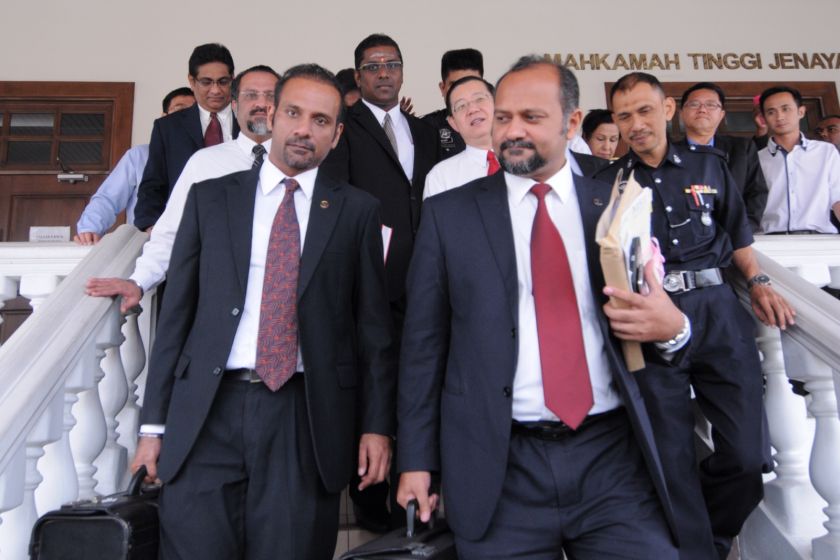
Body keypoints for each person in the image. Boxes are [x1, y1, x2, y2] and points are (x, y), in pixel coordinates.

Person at [397, 56, 688, 560]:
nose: (512, 131)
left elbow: (662, 318)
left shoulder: (618, 204)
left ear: (572, 123)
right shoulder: (449, 216)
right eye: (503, 117)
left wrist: (674, 329)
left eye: (531, 117)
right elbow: (423, 346)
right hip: (498, 465)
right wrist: (416, 459)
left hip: (613, 463)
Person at [129, 63, 395, 559]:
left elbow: (373, 331)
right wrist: (152, 428)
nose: (304, 129)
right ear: (271, 117)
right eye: (293, 113)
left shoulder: (357, 211)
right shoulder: (211, 198)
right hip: (207, 410)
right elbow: (177, 318)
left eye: (320, 120)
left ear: (336, 135)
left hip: (303, 415)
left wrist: (376, 426)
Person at [596, 71, 794, 560]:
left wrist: (759, 282)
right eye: (624, 116)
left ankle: (712, 535)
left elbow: (738, 236)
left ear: (667, 110)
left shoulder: (710, 165)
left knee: (748, 457)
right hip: (649, 318)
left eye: (645, 111)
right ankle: (699, 551)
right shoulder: (608, 183)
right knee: (670, 458)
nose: (636, 124)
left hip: (717, 312)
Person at [320, 32, 439, 532]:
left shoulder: (424, 130)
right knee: (373, 390)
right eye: (373, 66)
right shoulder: (344, 127)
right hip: (369, 283)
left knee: (420, 384)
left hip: (425, 283)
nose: (384, 72)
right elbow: (335, 198)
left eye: (392, 64)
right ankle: (371, 509)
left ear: (403, 72)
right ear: (358, 75)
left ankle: (420, 498)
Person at [85, 66, 280, 310]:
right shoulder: (204, 163)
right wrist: (139, 281)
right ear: (233, 105)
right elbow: (171, 231)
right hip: (216, 302)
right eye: (250, 95)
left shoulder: (306, 165)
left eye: (271, 96)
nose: (261, 104)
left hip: (284, 300)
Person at [133, 43, 239, 231]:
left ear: (233, 80)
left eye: (223, 82)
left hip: (239, 227)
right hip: (184, 229)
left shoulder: (249, 123)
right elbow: (153, 185)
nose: (215, 90)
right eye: (206, 82)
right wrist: (151, 226)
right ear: (192, 81)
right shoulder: (168, 128)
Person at [74, 88, 196, 245]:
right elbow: (108, 198)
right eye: (179, 111)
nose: (185, 119)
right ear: (164, 117)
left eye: (192, 113)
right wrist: (90, 229)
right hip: (146, 246)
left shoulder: (206, 157)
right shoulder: (139, 156)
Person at [675, 82, 768, 232]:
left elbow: (757, 193)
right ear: (682, 113)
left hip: (733, 236)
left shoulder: (741, 149)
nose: (702, 110)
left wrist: (743, 231)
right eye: (694, 104)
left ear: (721, 114)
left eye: (711, 105)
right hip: (684, 237)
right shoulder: (669, 152)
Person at [758, 86, 840, 234]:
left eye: (785, 109)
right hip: (770, 240)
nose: (779, 117)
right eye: (771, 112)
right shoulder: (757, 159)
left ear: (801, 112)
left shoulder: (826, 152)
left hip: (819, 238)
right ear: (764, 119)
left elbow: (838, 197)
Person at [423, 76, 497, 199]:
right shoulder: (441, 177)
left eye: (479, 99)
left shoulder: (529, 159)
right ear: (453, 123)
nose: (472, 109)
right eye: (461, 106)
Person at [422, 48, 484, 160]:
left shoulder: (501, 126)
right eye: (455, 85)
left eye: (471, 84)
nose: (463, 92)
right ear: (442, 88)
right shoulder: (424, 128)